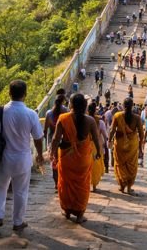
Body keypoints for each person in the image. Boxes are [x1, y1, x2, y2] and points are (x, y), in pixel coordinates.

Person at [0, 80, 44, 233]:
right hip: (22, 159)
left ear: (9, 93)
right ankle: (18, 222)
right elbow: (38, 138)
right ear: (25, 94)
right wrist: (39, 155)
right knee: (21, 191)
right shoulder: (31, 114)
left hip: (2, 159)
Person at [51, 93, 101, 224]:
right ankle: (80, 214)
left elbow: (55, 139)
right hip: (83, 159)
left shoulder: (63, 118)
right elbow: (96, 139)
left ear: (71, 104)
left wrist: (52, 153)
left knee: (66, 183)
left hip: (67, 158)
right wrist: (99, 152)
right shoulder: (90, 120)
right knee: (82, 184)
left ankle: (67, 210)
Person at [109, 97, 144, 195]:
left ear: (123, 105)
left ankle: (121, 186)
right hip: (132, 145)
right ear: (132, 106)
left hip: (120, 144)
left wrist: (109, 140)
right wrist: (140, 146)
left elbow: (112, 130)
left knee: (120, 164)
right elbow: (141, 133)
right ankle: (129, 188)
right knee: (131, 165)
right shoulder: (137, 118)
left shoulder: (117, 115)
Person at [44, 95, 68, 190]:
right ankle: (62, 182)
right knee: (63, 162)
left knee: (54, 163)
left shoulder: (49, 113)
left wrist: (46, 144)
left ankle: (56, 184)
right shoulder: (66, 112)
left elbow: (45, 130)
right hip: (64, 141)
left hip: (52, 141)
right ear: (63, 102)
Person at [87, 101, 108, 191]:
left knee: (87, 164)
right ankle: (94, 186)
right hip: (97, 145)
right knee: (95, 165)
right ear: (95, 110)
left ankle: (87, 184)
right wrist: (106, 144)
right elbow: (105, 135)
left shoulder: (84, 120)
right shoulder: (100, 122)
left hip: (86, 145)